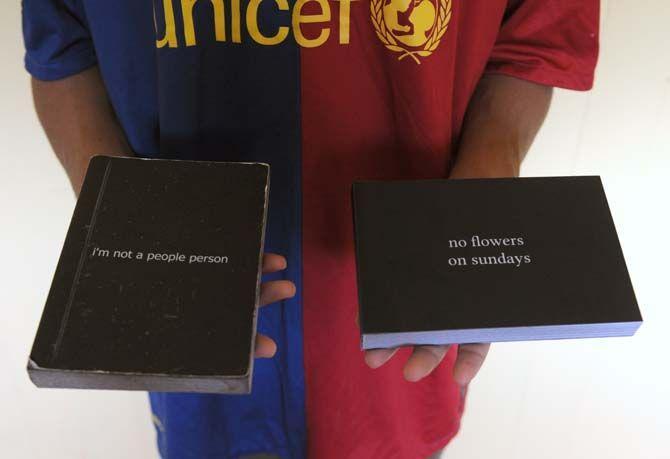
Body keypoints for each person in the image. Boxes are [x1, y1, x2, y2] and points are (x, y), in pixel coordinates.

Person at [21, 0, 599, 457]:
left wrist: (487, 177)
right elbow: (61, 46)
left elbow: (535, 36)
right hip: (186, 302)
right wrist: (121, 231)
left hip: (404, 318)